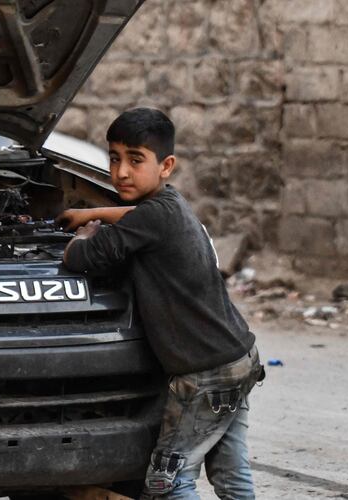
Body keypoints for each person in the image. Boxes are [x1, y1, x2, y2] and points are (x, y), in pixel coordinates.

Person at [56, 108, 263, 499]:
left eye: (136, 160)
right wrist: (95, 210)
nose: (120, 172)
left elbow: (80, 258)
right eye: (114, 158)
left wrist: (84, 234)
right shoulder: (171, 206)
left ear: (166, 165)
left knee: (168, 480)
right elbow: (139, 216)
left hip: (203, 374)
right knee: (231, 472)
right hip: (238, 357)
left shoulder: (149, 221)